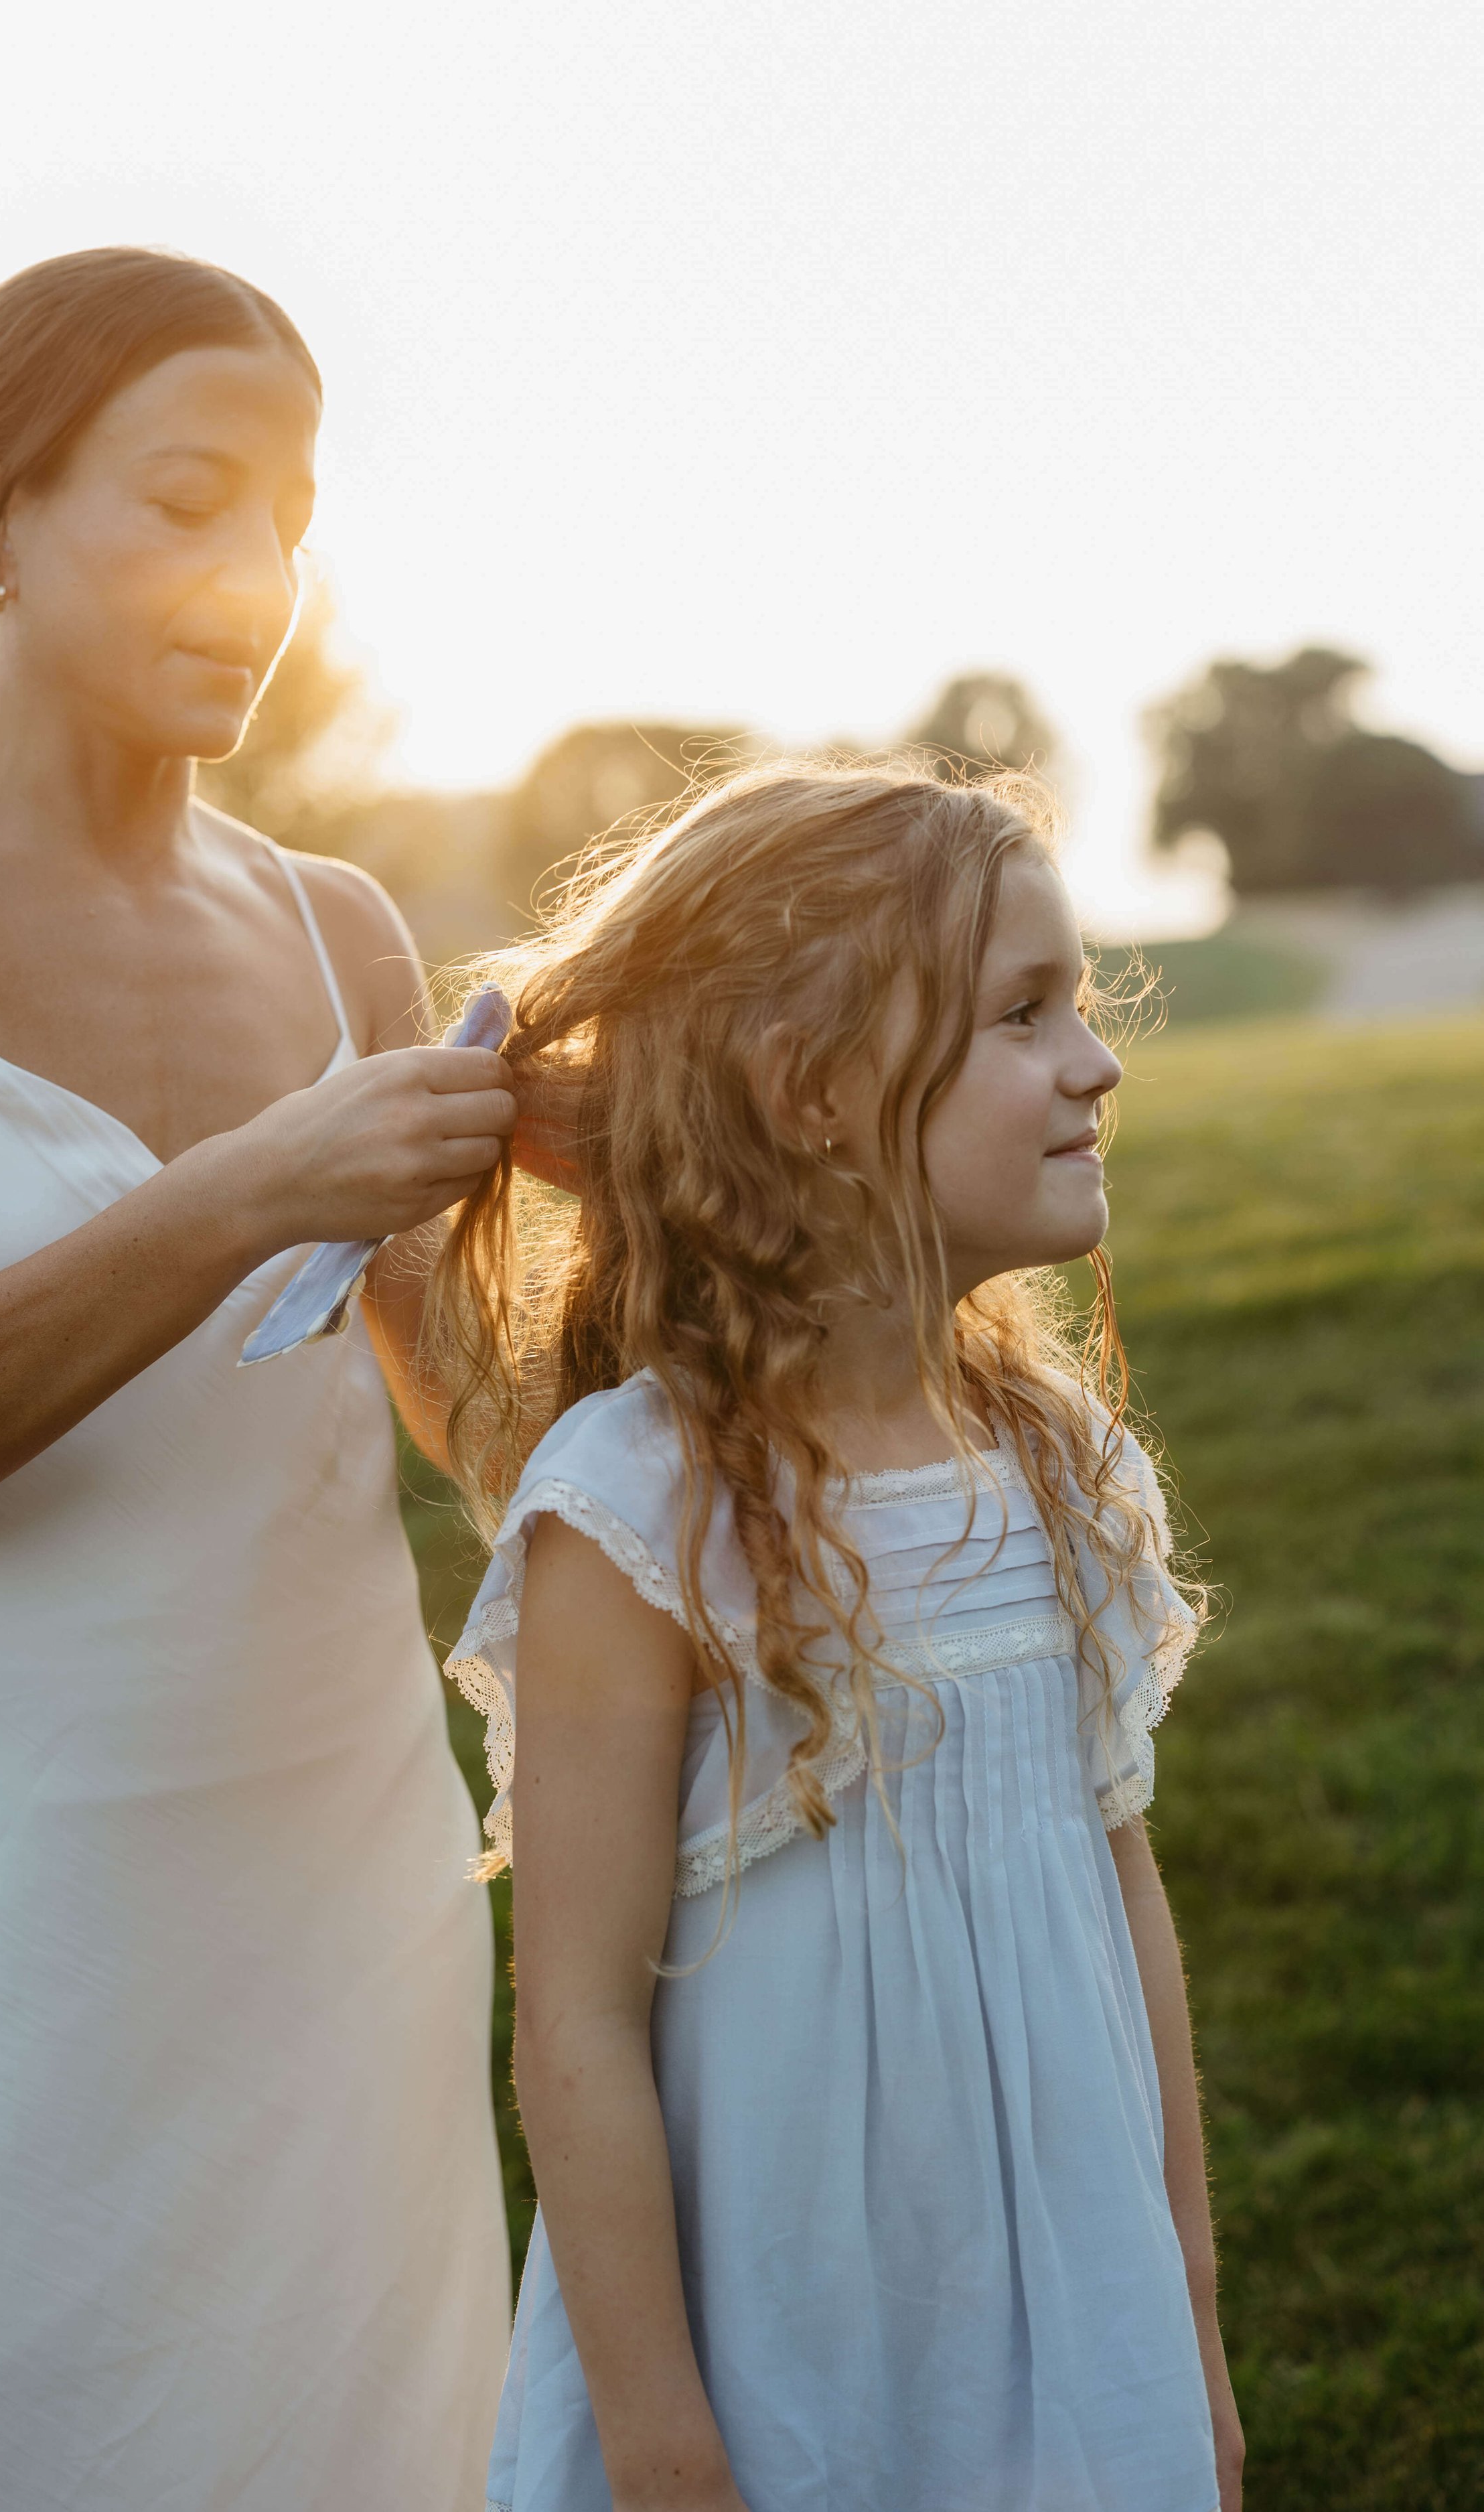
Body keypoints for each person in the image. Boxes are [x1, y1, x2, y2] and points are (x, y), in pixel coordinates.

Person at [0, 248, 515, 2510]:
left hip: (348, 1912)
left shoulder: (341, 931)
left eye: (293, 519)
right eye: (191, 500)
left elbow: (486, 1432)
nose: (258, 579)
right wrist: (239, 1193)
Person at [429, 764, 1246, 2512]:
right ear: (808, 1092)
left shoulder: (1055, 1464)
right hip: (776, 2354)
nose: (1095, 1064)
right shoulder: (642, 1505)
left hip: (1062, 2322)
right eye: (1023, 1015)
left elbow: (1123, 1904)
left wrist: (1180, 2327)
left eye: (1078, 1007)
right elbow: (570, 2020)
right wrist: (661, 2452)